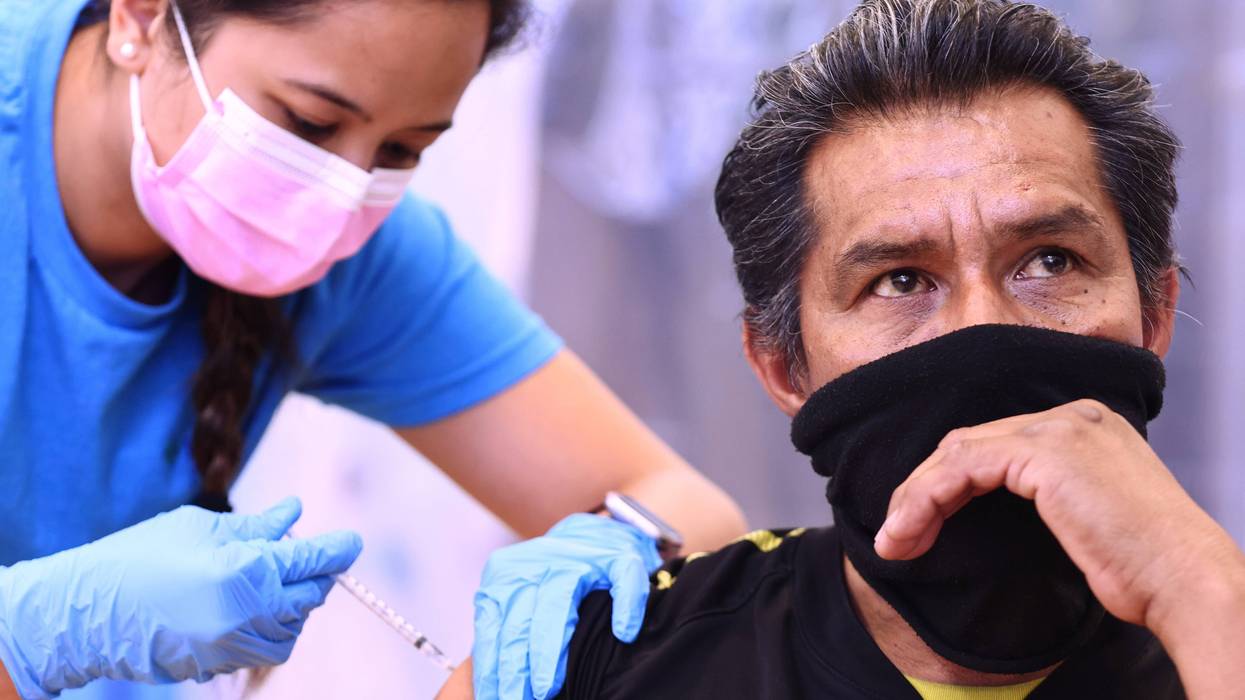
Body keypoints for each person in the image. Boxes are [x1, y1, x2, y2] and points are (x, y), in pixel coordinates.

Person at [438, 1, 1245, 698]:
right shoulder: (597, 670)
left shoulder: (1219, 617)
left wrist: (1200, 588)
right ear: (783, 367)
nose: (979, 330)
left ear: (1155, 313)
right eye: (898, 281)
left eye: (1048, 262)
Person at [0, 0, 748, 698]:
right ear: (141, 16)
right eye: (309, 122)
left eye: (401, 148)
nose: (341, 194)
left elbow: (692, 515)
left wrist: (590, 580)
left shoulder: (358, 254)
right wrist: (42, 628)